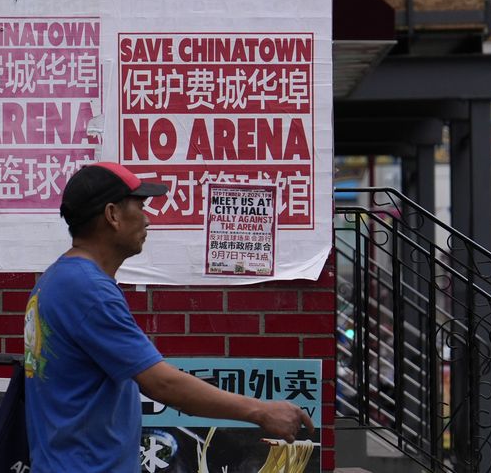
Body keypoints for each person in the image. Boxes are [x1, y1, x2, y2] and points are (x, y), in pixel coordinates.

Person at [23, 162, 313, 472]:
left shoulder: (56, 280)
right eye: (140, 206)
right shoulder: (88, 289)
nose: (147, 219)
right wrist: (261, 411)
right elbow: (161, 384)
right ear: (113, 215)